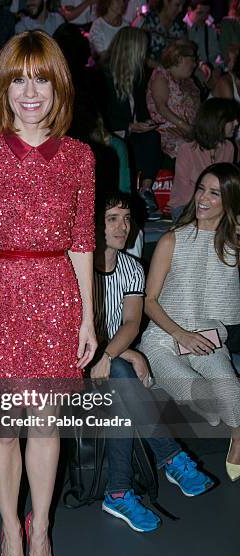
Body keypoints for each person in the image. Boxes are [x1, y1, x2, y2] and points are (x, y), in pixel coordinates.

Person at [0, 31, 97, 556]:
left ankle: (41, 529)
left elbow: (84, 241)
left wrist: (87, 315)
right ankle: (11, 528)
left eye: (40, 77)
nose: (29, 91)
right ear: (3, 86)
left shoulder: (82, 156)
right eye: (17, 78)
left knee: (44, 426)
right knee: (4, 428)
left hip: (57, 293)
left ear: (58, 84)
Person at [90, 194, 213, 532]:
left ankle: (118, 491)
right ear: (94, 222)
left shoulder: (131, 267)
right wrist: (123, 353)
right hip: (78, 359)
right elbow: (73, 329)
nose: (122, 226)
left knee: (119, 388)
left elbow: (131, 323)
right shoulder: (77, 265)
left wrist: (116, 354)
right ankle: (170, 456)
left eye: (127, 219)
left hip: (113, 365)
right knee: (120, 373)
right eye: (113, 218)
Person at [139, 163, 240, 481]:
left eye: (214, 193)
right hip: (164, 339)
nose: (203, 198)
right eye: (201, 189)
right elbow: (149, 302)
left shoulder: (234, 245)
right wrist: (181, 334)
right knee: (206, 399)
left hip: (208, 337)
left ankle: (238, 441)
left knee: (231, 390)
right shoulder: (172, 240)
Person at [94, 27, 163, 219]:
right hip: (111, 132)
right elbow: (102, 114)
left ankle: (145, 191)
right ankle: (125, 198)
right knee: (123, 146)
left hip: (131, 132)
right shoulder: (103, 75)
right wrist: (130, 126)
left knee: (152, 137)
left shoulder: (137, 76)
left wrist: (146, 122)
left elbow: (140, 109)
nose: (145, 54)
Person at [169, 98, 239, 220]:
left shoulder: (229, 148)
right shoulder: (187, 149)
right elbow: (183, 193)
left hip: (215, 205)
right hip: (187, 207)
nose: (236, 123)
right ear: (218, 122)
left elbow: (225, 186)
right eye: (231, 120)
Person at [146, 40, 200, 159]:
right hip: (169, 131)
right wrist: (186, 127)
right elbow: (161, 107)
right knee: (190, 148)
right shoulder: (162, 75)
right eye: (193, 59)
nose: (195, 64)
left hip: (189, 131)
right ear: (180, 59)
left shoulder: (189, 81)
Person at [141, 0, 187, 66]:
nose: (181, 9)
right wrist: (157, 66)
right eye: (177, 5)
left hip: (174, 72)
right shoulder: (148, 20)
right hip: (149, 71)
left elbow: (186, 52)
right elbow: (137, 51)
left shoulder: (180, 26)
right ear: (165, 2)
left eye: (183, 5)